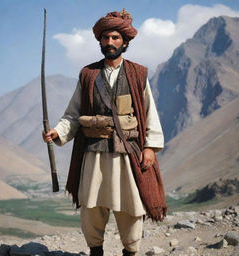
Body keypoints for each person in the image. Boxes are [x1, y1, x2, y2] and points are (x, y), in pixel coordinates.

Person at [43, 9, 166, 256]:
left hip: (127, 152)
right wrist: (58, 132)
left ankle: (131, 251)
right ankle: (95, 251)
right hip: (93, 151)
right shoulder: (88, 74)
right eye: (105, 38)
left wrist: (150, 147)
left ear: (125, 42)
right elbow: (73, 113)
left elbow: (149, 110)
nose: (109, 42)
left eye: (115, 38)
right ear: (99, 41)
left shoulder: (138, 73)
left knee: (131, 205)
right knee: (92, 206)